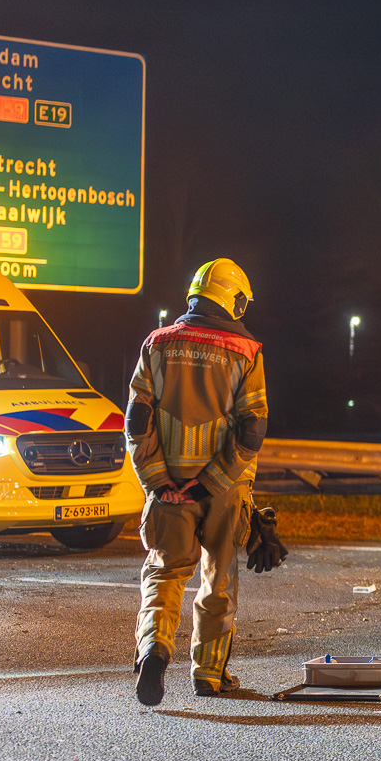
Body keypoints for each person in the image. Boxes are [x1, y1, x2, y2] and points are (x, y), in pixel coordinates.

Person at [125, 259, 269, 705]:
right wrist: (211, 483)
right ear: (232, 299)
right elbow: (252, 430)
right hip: (223, 491)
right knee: (218, 579)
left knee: (165, 572)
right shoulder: (246, 352)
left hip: (169, 489)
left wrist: (157, 481)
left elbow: (137, 419)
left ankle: (154, 646)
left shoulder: (157, 343)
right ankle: (209, 674)